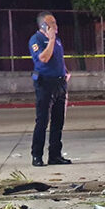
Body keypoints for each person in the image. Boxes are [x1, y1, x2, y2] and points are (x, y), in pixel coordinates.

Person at [29, 11, 71, 166]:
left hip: (60, 84)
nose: (55, 25)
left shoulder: (57, 40)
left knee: (58, 121)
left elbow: (58, 59)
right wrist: (51, 39)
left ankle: (55, 155)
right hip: (45, 84)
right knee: (42, 121)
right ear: (44, 25)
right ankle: (37, 156)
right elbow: (44, 58)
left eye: (55, 22)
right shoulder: (36, 39)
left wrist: (65, 71)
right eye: (52, 23)